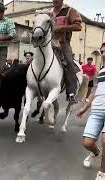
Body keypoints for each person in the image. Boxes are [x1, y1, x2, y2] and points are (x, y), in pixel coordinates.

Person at [78, 43, 105, 180]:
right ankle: (96, 152)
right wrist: (84, 108)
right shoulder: (100, 71)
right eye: (102, 51)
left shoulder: (95, 69)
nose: (103, 53)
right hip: (97, 110)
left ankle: (102, 172)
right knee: (87, 143)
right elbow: (95, 91)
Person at [51, 0, 82, 104]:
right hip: (48, 45)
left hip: (63, 44)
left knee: (69, 63)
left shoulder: (70, 11)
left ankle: (71, 93)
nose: (56, 0)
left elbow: (78, 26)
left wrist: (62, 27)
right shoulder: (48, 13)